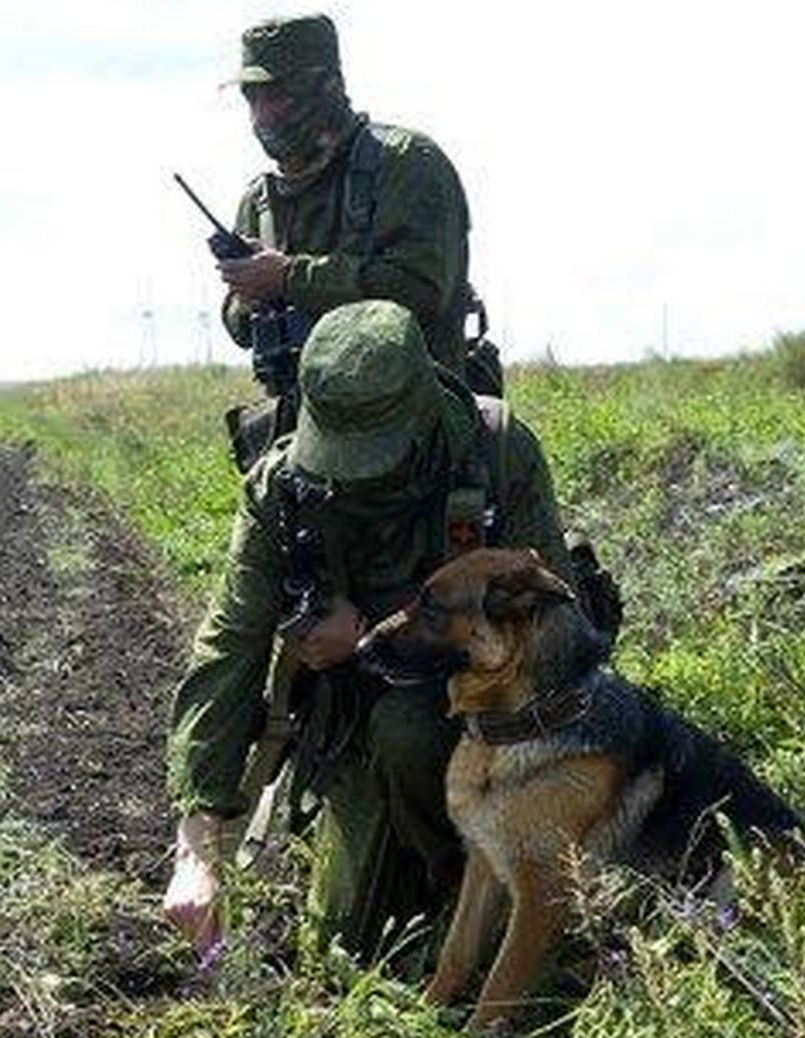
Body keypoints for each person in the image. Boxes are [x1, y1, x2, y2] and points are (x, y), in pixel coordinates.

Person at [161, 300, 576, 962]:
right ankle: (407, 857)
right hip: (349, 714)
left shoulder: (496, 454)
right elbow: (228, 645)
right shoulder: (280, 486)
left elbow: (557, 626)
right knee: (339, 951)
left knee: (411, 732)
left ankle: (470, 886)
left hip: (479, 707)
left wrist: (400, 632)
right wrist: (195, 845)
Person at [216, 13, 498, 395]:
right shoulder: (260, 201)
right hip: (301, 429)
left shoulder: (405, 163)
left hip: (410, 418)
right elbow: (241, 330)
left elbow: (422, 290)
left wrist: (289, 277)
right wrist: (247, 297)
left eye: (280, 94)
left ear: (328, 87)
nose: (264, 114)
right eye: (252, 97)